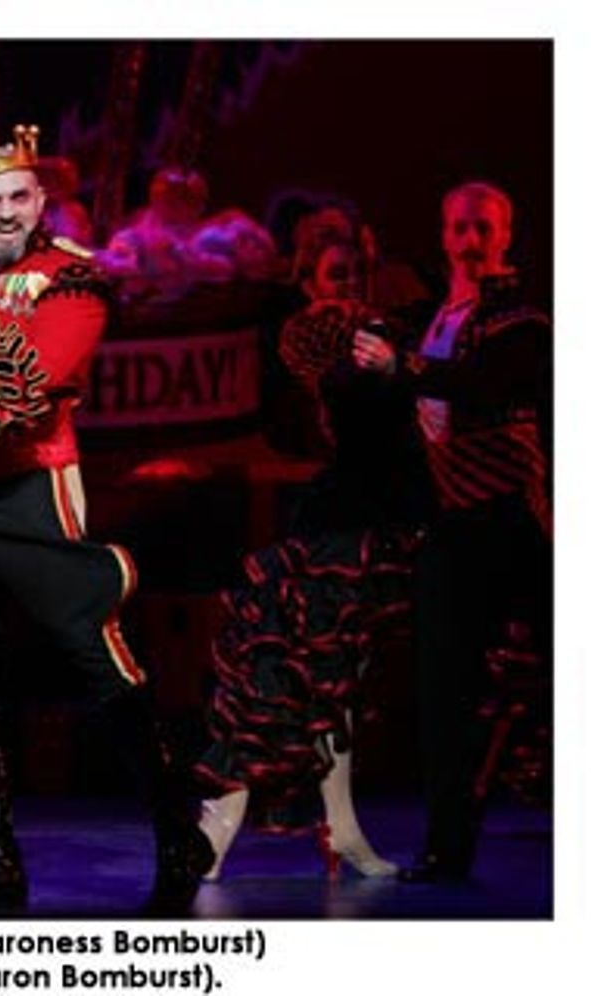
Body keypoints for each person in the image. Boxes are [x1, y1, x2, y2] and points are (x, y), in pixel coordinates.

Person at [0, 125, 213, 914]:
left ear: (41, 202)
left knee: (94, 654)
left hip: (29, 489)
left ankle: (177, 834)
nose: (5, 212)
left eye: (19, 197)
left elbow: (29, 378)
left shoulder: (70, 279)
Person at [194, 215, 432, 880]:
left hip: (379, 527)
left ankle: (337, 826)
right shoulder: (316, 341)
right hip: (338, 529)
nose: (346, 285)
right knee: (291, 674)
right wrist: (392, 367)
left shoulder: (381, 338)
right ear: (307, 281)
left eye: (354, 273)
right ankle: (224, 821)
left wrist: (398, 364)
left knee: (333, 683)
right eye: (333, 274)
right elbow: (338, 398)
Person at [353, 181, 550, 883]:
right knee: (445, 690)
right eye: (460, 227)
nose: (471, 240)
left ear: (506, 235)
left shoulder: (522, 318)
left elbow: (486, 382)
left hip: (516, 519)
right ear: (443, 234)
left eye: (484, 228)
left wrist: (398, 367)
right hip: (452, 522)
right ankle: (447, 846)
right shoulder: (432, 319)